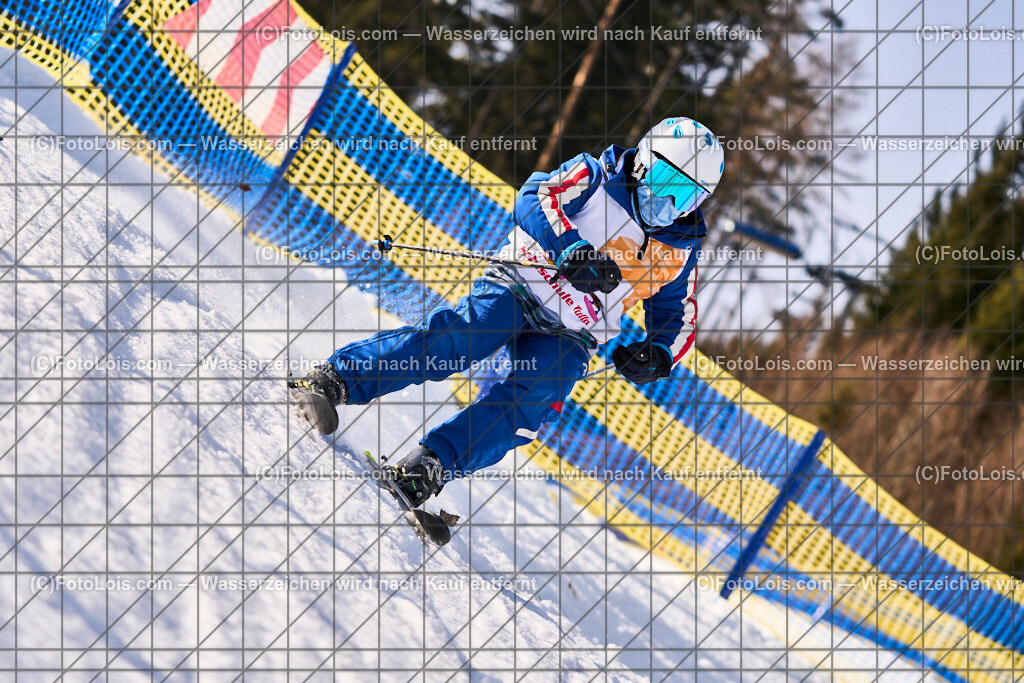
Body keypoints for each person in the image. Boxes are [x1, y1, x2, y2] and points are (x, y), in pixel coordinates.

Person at [289, 117, 725, 507]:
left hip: (574, 333)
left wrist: (660, 353)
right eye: (666, 180)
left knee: (532, 401)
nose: (667, 201)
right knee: (462, 340)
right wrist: (570, 248)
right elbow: (537, 196)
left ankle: (431, 465)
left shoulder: (679, 251)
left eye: (686, 194)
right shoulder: (595, 176)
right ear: (645, 161)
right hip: (524, 281)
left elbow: (678, 315)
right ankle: (336, 380)